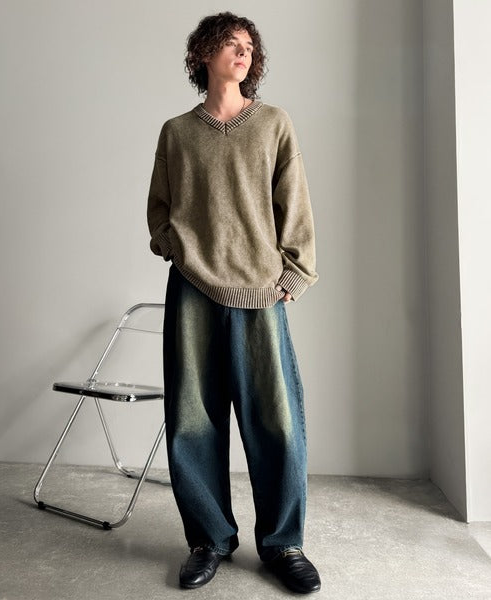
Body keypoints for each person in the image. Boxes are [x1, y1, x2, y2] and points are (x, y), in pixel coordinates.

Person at [147, 11, 320, 594]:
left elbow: (294, 203)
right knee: (192, 421)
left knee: (277, 420)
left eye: (248, 45)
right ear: (203, 55)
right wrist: (174, 247)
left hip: (259, 293)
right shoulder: (177, 132)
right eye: (229, 44)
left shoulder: (273, 123)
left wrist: (294, 273)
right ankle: (208, 540)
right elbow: (159, 207)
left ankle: (284, 544)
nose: (242, 52)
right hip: (192, 291)